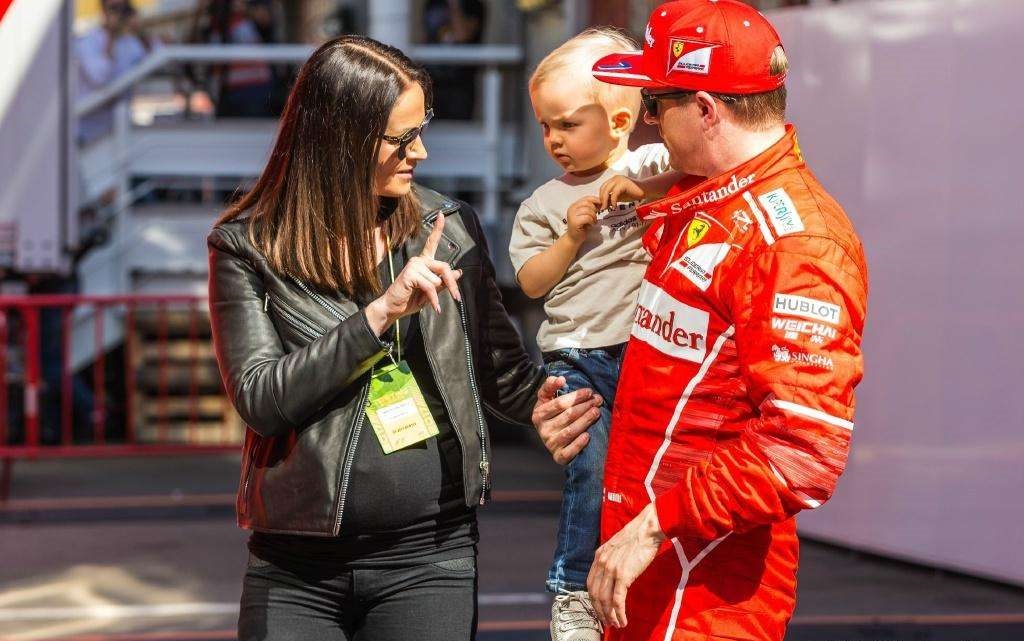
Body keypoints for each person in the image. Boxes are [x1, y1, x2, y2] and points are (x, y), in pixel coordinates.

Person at [208, 34, 601, 641]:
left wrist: (550, 405)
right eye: (402, 137)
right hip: (294, 566)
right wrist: (378, 316)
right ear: (340, 139)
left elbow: (500, 369)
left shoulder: (450, 229)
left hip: (431, 556)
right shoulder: (247, 245)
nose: (421, 150)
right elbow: (261, 398)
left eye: (423, 128)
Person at [538, 2, 869, 640]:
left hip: (707, 597)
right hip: (637, 576)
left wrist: (654, 525)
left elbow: (803, 447)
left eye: (654, 104)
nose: (647, 124)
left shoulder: (796, 244)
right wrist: (580, 421)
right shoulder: (701, 198)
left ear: (706, 109)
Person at [508, 28, 676, 641]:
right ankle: (573, 587)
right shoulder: (544, 203)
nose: (554, 139)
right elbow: (531, 281)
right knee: (591, 466)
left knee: (652, 468)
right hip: (577, 353)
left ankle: (645, 577)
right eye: (545, 126)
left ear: (621, 120)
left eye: (568, 124)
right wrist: (571, 237)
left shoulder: (651, 166)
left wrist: (643, 190)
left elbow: (698, 182)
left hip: (646, 347)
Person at [76, 0, 157, 144]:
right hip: (89, 132)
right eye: (114, 8)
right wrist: (111, 37)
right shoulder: (87, 42)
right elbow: (99, 77)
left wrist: (140, 31)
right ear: (103, 10)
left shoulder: (130, 42)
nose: (120, 14)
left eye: (124, 8)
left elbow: (155, 58)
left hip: (119, 131)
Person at [422, 0, 486, 120]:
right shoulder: (433, 4)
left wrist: (454, 5)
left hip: (460, 87)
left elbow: (462, 35)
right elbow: (426, 38)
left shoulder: (474, 5)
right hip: (432, 84)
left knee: (458, 127)